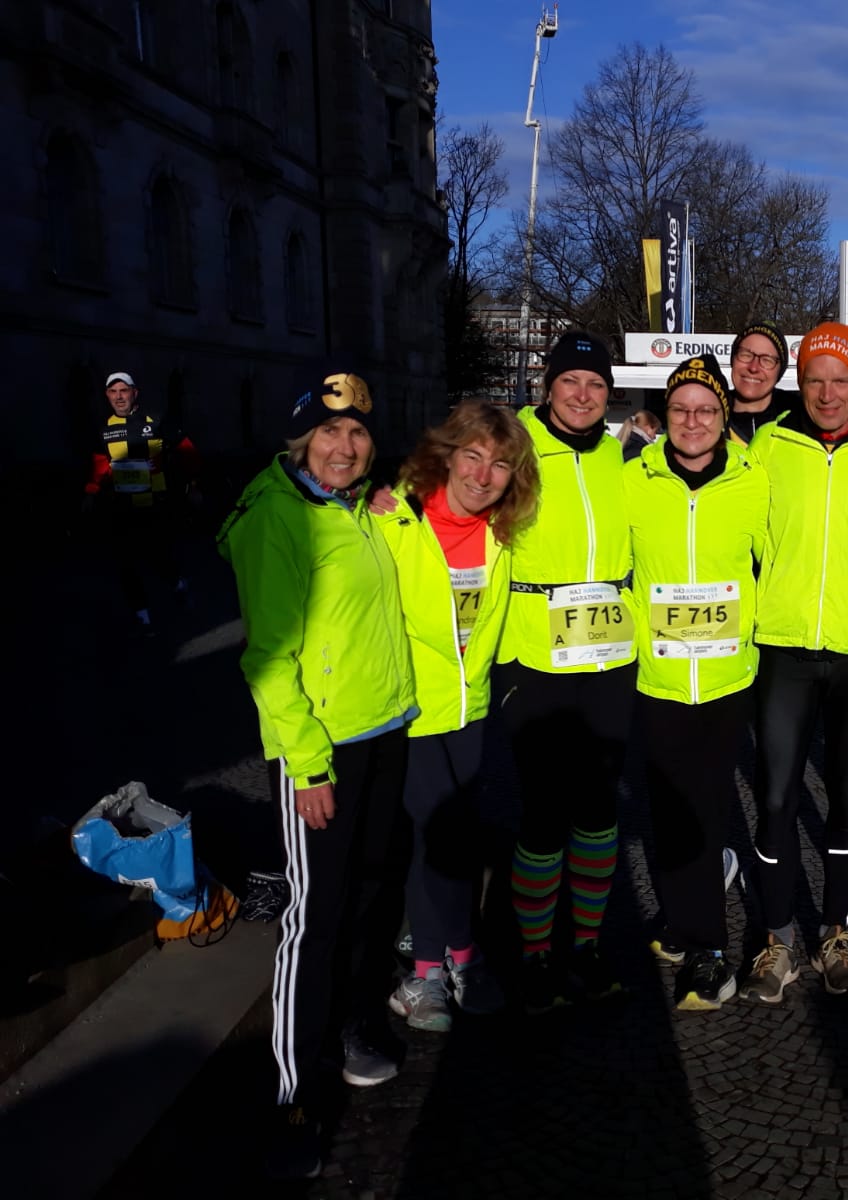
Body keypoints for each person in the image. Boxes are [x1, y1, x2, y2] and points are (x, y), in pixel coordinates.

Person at [217, 371, 417, 1178]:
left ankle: (354, 1025)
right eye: (329, 432)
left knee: (369, 897)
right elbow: (268, 660)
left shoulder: (356, 505)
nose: (345, 446)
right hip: (322, 750)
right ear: (300, 441)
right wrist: (305, 766)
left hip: (383, 730)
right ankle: (292, 1095)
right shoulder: (279, 516)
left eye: (358, 433)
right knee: (314, 918)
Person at [740, 322, 848, 1003]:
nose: (828, 393)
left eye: (841, 380)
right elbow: (740, 531)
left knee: (846, 794)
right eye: (815, 380)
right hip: (783, 643)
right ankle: (777, 938)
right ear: (800, 383)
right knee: (777, 796)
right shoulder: (771, 445)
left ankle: (834, 933)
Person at [378, 402, 539, 1032]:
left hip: (470, 707)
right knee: (439, 835)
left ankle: (444, 961)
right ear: (445, 456)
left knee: (453, 835)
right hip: (410, 707)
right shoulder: (394, 519)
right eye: (471, 456)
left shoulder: (506, 531)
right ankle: (437, 969)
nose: (482, 474)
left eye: (500, 464)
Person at [496, 331, 636, 1011]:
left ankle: (585, 942)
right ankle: (534, 951)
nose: (583, 395)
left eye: (596, 384)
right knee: (545, 808)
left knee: (599, 806)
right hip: (535, 653)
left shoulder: (621, 457)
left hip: (609, 654)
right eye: (571, 381)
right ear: (547, 385)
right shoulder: (513, 447)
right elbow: (453, 493)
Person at [625, 356, 769, 1010]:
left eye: (706, 410)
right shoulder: (633, 479)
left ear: (722, 417)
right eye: (680, 409)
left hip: (725, 677)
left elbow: (779, 560)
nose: (692, 421)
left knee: (706, 808)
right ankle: (685, 922)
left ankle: (710, 951)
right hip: (657, 676)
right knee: (668, 810)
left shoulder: (752, 480)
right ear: (664, 417)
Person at [83, 371, 200, 632]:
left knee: (158, 558)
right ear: (107, 396)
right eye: (113, 392)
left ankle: (178, 584)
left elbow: (188, 452)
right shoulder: (103, 429)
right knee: (126, 564)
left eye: (123, 391)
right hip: (121, 507)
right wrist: (91, 492)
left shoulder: (156, 421)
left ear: (134, 393)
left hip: (156, 505)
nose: (119, 397)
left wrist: (193, 485)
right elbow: (99, 464)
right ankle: (143, 618)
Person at [726, 320, 789, 446]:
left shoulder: (799, 419)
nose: (753, 368)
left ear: (779, 371)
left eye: (767, 360)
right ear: (733, 359)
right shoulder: (707, 415)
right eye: (746, 355)